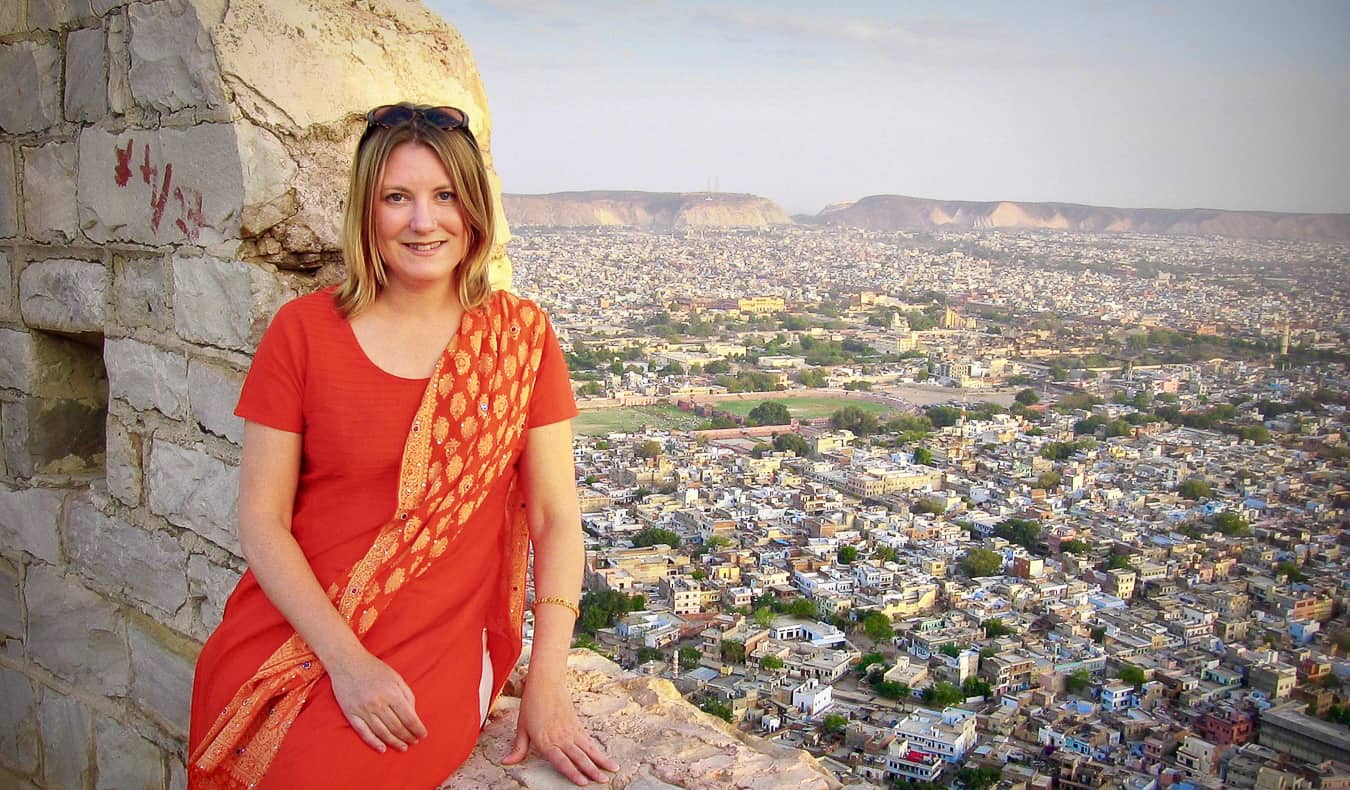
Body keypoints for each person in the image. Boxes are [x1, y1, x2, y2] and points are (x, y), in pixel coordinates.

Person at [188, 103, 618, 789]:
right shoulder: (301, 334)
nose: (424, 222)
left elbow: (555, 519)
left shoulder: (519, 339)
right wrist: (347, 663)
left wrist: (547, 684)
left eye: (445, 195)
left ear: (473, 209)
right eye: (397, 197)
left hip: (433, 644)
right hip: (296, 628)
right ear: (368, 209)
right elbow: (262, 520)